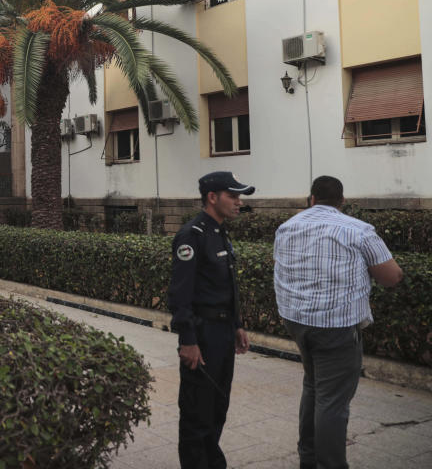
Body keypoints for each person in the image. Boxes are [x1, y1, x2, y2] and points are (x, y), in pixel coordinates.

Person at [274, 175, 403, 469]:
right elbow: (392, 277)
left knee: (314, 387)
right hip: (336, 326)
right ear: (342, 202)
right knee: (332, 401)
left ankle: (308, 458)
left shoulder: (286, 227)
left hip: (297, 322)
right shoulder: (358, 230)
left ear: (312, 200)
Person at [169, 171, 253, 469]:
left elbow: (225, 286)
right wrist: (188, 341)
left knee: (217, 406)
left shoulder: (218, 231)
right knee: (196, 412)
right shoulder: (193, 235)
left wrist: (237, 325)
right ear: (212, 197)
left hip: (221, 333)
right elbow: (181, 295)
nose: (238, 202)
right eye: (233, 196)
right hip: (202, 336)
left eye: (239, 197)